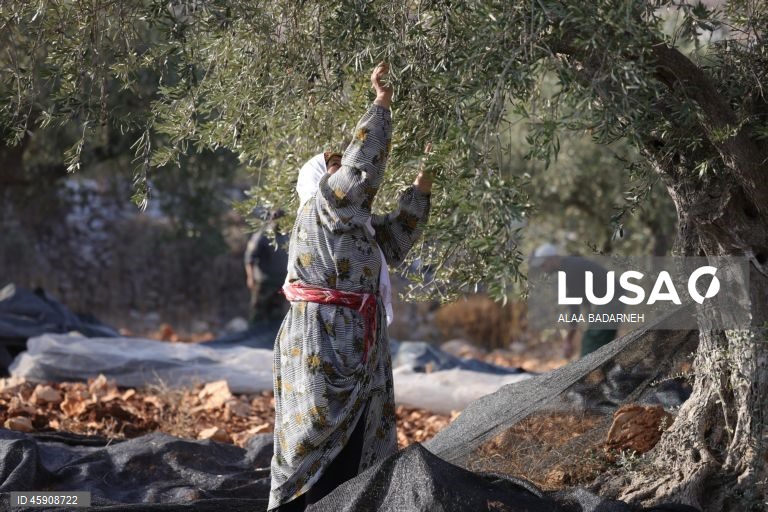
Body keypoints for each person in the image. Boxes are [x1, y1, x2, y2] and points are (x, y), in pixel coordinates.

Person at [268, 63, 433, 511]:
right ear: (319, 180)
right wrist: (381, 104)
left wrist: (425, 180)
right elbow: (361, 170)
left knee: (358, 438)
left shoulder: (353, 225)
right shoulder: (323, 206)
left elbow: (397, 239)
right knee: (315, 434)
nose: (342, 177)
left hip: (358, 341)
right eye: (332, 169)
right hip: (323, 340)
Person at [530, 243, 623, 358]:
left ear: (552, 258)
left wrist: (568, 340)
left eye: (543, 264)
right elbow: (585, 297)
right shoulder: (570, 265)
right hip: (612, 298)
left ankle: (588, 373)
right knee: (599, 339)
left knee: (591, 342)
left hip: (613, 299)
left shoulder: (570, 270)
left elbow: (575, 310)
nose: (542, 268)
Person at [244, 209, 290, 325]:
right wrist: (250, 277)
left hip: (280, 284)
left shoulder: (286, 236)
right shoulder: (262, 235)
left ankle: (270, 342)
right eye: (276, 217)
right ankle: (252, 340)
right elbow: (250, 258)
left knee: (277, 317)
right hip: (264, 284)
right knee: (258, 314)